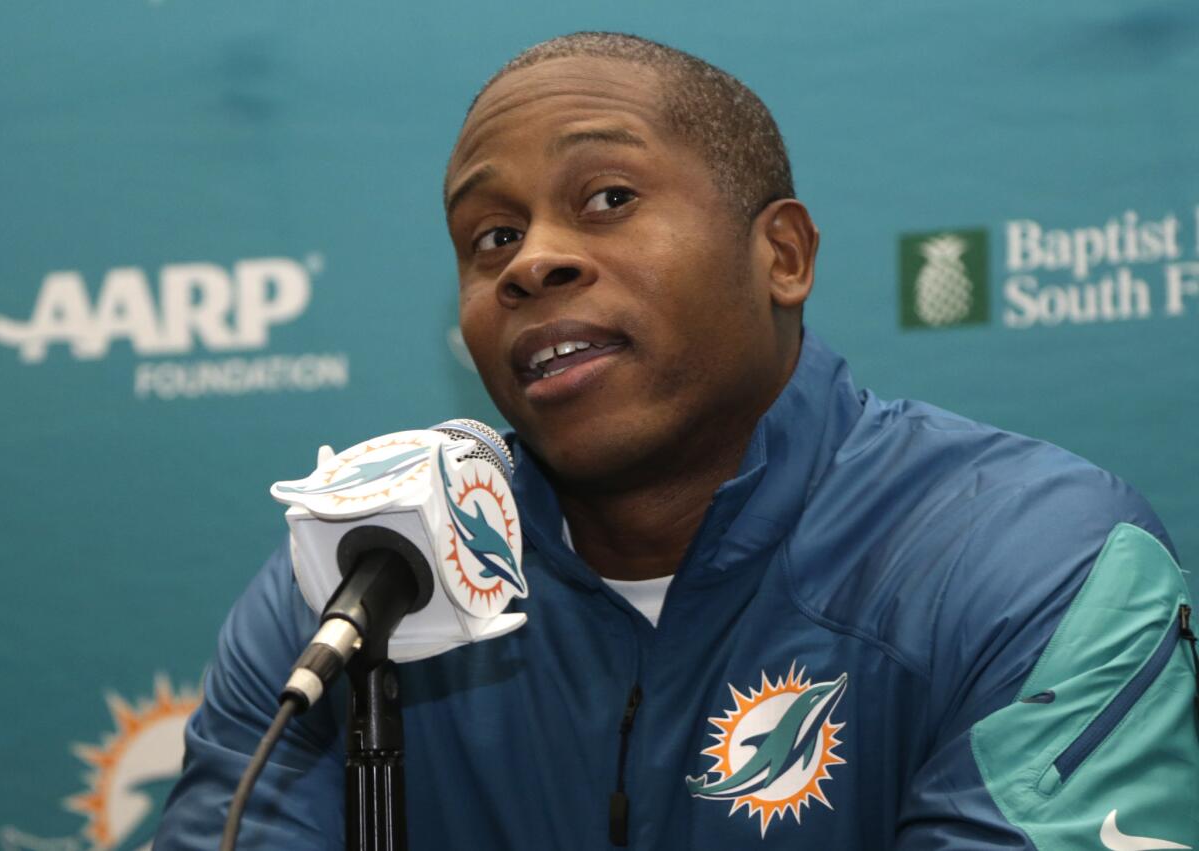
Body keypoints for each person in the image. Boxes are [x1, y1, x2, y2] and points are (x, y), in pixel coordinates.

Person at [156, 32, 1199, 849]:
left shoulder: (1033, 564)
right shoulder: (361, 583)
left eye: (608, 199)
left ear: (782, 255)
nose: (532, 263)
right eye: (492, 237)